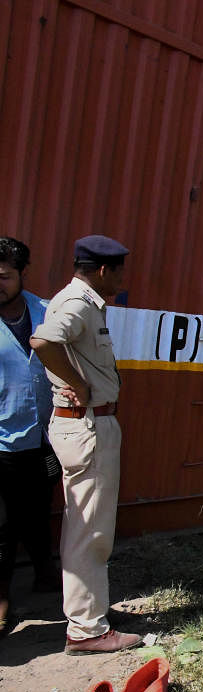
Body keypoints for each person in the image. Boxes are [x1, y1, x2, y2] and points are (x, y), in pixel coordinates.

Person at [29, 235, 139, 654]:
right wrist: (77, 383)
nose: (123, 278)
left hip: (89, 425)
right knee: (89, 528)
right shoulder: (78, 302)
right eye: (120, 271)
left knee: (90, 524)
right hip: (88, 426)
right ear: (104, 270)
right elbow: (43, 342)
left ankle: (93, 611)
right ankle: (87, 629)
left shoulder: (84, 301)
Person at [0, 238, 58, 634]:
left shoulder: (46, 312)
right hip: (1, 442)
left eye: (4, 276)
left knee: (39, 512)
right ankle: (2, 602)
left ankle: (44, 572)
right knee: (3, 525)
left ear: (22, 274)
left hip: (47, 440)